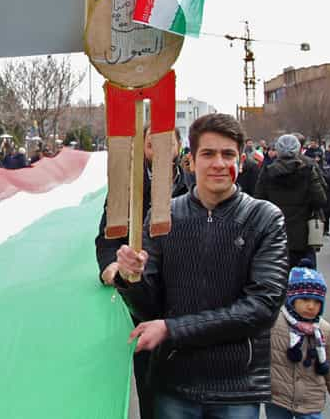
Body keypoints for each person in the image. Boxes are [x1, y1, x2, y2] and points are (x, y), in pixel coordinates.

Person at [114, 113, 289, 418]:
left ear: (242, 161)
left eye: (228, 154)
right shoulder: (162, 217)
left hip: (238, 386)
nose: (219, 163)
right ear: (191, 162)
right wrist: (131, 279)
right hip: (174, 384)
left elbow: (262, 308)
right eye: (208, 154)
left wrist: (173, 329)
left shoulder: (264, 219)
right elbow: (149, 307)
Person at [94, 126, 187, 419]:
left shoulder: (194, 187)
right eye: (151, 143)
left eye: (166, 143)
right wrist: (112, 267)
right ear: (141, 148)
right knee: (153, 386)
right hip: (144, 299)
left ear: (178, 147)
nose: (158, 149)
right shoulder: (126, 190)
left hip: (188, 298)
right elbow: (108, 238)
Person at [267, 261, 330, 419]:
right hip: (278, 396)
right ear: (292, 299)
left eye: (317, 302)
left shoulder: (325, 331)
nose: (311, 306)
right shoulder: (274, 323)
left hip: (310, 398)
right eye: (305, 300)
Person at [255, 134, 328, 269]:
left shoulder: (267, 172)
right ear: (298, 149)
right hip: (303, 236)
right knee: (304, 283)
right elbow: (320, 200)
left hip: (275, 235)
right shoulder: (308, 170)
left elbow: (259, 201)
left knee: (276, 282)